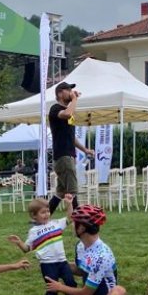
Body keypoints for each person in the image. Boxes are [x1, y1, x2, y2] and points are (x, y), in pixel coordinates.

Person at [35, 204, 127, 295]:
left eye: (74, 223)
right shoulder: (81, 245)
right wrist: (54, 264)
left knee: (119, 291)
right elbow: (81, 270)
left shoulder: (101, 255)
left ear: (82, 228)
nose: (72, 226)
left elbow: (86, 293)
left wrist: (59, 287)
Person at [7, 196, 75, 295]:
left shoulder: (56, 224)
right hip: (47, 265)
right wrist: (19, 242)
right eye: (43, 212)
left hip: (62, 262)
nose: (47, 214)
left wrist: (69, 204)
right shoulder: (34, 232)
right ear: (34, 215)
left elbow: (71, 218)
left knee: (71, 283)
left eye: (48, 211)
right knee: (52, 289)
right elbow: (27, 249)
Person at [47, 81, 94, 213]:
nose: (71, 92)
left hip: (66, 156)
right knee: (72, 190)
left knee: (61, 192)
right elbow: (67, 114)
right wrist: (74, 99)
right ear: (60, 93)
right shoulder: (55, 109)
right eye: (68, 90)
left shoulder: (67, 112)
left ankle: (41, 220)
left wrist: (85, 150)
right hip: (63, 156)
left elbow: (71, 137)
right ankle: (80, 221)